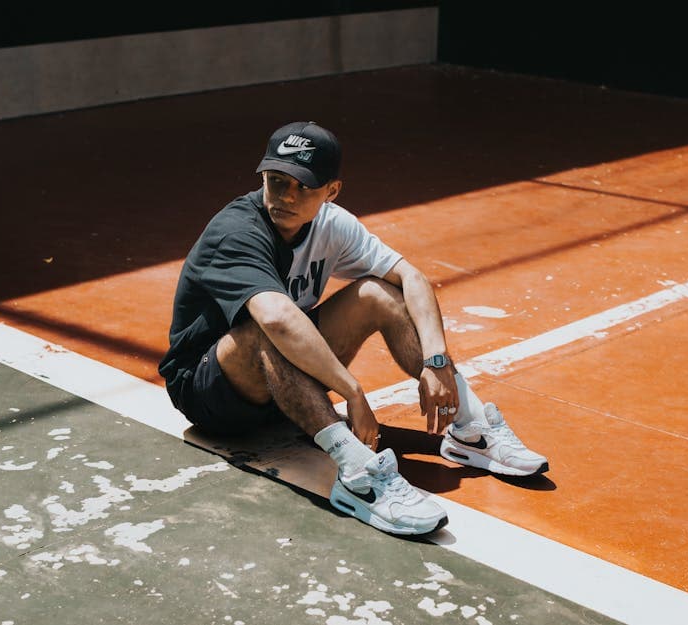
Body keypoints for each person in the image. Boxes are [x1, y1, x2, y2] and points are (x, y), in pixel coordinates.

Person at [159, 121, 547, 536]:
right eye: (276, 181)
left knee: (377, 293)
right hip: (211, 395)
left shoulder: (331, 225)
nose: (285, 196)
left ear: (332, 191)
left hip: (282, 388)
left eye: (302, 186)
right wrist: (351, 390)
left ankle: (470, 429)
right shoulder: (236, 232)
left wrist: (437, 361)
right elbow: (276, 319)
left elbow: (411, 278)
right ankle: (356, 477)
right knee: (266, 327)